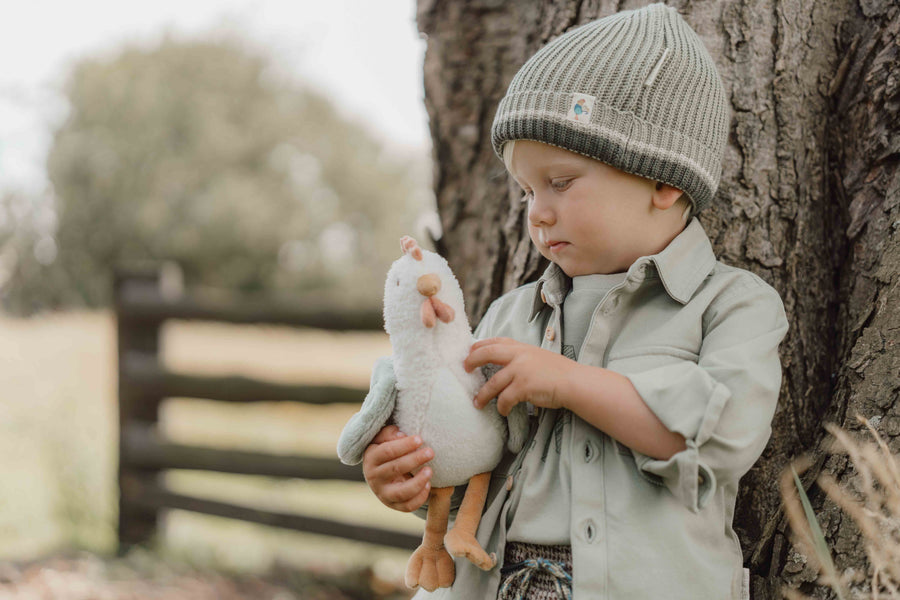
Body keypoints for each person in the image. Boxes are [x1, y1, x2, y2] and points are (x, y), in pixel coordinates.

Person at [358, 3, 789, 598]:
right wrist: (412, 477)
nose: (536, 210)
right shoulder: (512, 316)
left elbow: (717, 439)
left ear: (663, 180)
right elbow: (478, 464)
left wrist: (565, 382)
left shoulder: (732, 308)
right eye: (528, 189)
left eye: (560, 182)